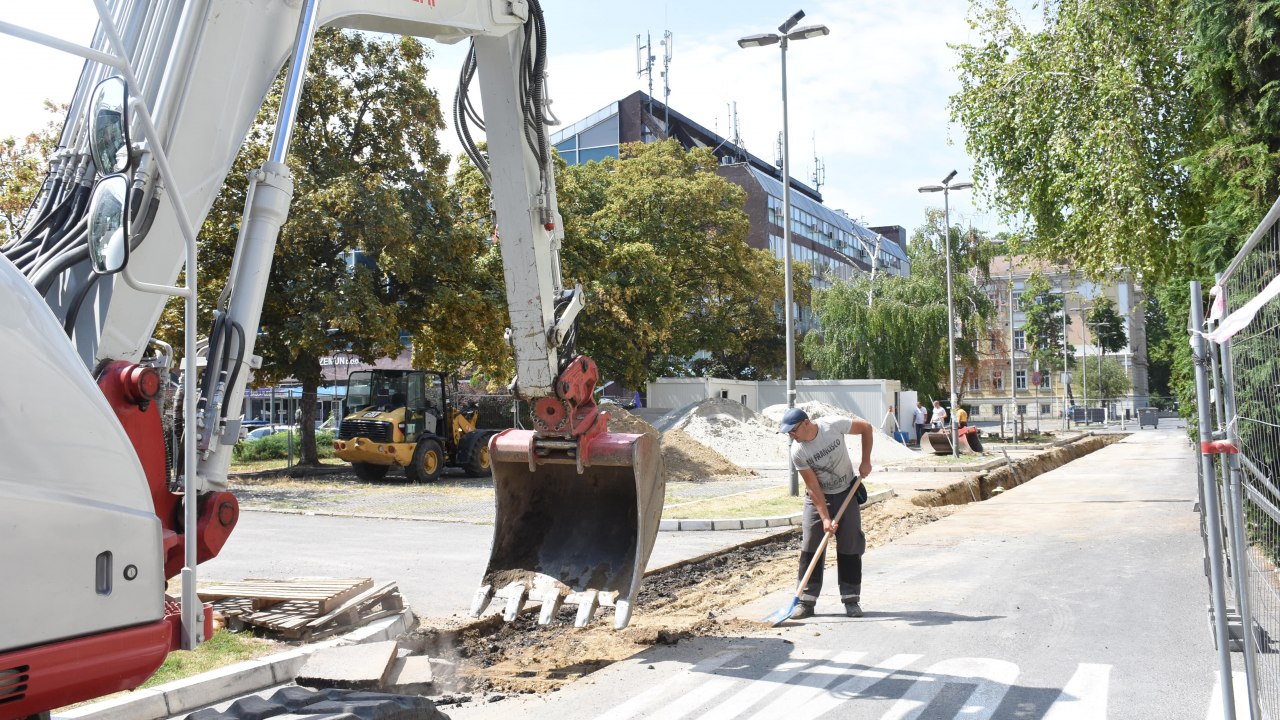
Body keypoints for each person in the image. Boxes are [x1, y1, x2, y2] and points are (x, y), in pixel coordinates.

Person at [778, 407, 873, 619]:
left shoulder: (832, 425)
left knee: (850, 544)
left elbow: (866, 428)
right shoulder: (797, 451)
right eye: (788, 433)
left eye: (792, 431)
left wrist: (865, 460)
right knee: (811, 544)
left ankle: (851, 599)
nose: (791, 436)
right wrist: (825, 517)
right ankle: (806, 602)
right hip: (819, 497)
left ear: (805, 422)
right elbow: (812, 487)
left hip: (847, 490)